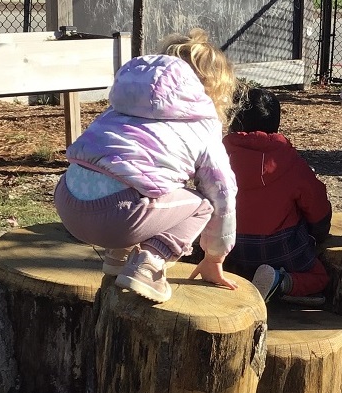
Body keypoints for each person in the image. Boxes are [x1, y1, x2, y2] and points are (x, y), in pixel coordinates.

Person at [54, 28, 239, 304]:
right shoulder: (202, 122)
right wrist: (215, 255)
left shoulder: (121, 107)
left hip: (67, 201)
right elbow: (222, 191)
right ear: (212, 89)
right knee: (202, 205)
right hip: (118, 218)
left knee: (142, 183)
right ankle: (149, 264)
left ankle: (119, 255)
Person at [223, 87, 332, 305]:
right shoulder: (289, 160)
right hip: (280, 246)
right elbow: (316, 203)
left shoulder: (220, 155)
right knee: (321, 278)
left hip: (229, 244)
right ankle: (281, 281)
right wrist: (320, 231)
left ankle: (246, 275)